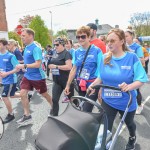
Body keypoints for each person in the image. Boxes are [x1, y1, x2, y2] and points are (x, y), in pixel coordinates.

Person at [87, 28, 148, 150]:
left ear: (122, 41)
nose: (109, 43)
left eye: (113, 41)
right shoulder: (104, 57)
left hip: (127, 101)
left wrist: (129, 86)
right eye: (108, 41)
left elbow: (141, 79)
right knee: (105, 128)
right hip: (108, 100)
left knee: (129, 123)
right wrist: (93, 84)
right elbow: (100, 76)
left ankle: (132, 137)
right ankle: (104, 145)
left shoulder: (132, 57)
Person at [15, 28, 53, 126]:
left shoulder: (36, 48)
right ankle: (27, 116)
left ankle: (54, 107)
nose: (21, 37)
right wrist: (21, 64)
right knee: (23, 93)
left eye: (23, 36)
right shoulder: (27, 47)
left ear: (30, 36)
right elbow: (28, 62)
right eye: (21, 36)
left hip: (37, 77)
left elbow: (37, 64)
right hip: (28, 76)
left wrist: (24, 66)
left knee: (45, 95)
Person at [64, 26, 103, 112]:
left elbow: (101, 70)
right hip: (81, 84)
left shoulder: (97, 51)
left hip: (93, 85)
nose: (80, 39)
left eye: (83, 36)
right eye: (78, 37)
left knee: (86, 109)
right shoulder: (77, 52)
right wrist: (68, 85)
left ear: (89, 37)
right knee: (83, 106)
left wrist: (100, 87)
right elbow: (74, 69)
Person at [48, 37, 74, 116]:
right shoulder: (55, 53)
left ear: (62, 45)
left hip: (66, 81)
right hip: (57, 81)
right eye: (54, 45)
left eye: (57, 45)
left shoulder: (67, 53)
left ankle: (77, 113)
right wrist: (50, 66)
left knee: (72, 100)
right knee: (54, 100)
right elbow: (51, 63)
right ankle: (55, 117)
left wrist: (56, 66)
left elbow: (69, 67)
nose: (55, 46)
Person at [125, 26, 145, 115]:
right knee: (125, 89)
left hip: (134, 72)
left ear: (132, 36)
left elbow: (142, 60)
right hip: (125, 71)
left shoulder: (137, 47)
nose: (125, 38)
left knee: (135, 90)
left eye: (127, 36)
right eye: (124, 36)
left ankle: (140, 106)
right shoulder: (123, 46)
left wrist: (132, 58)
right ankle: (127, 106)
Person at [0, 39, 20, 124]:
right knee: (12, 95)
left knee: (4, 97)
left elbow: (17, 68)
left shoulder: (11, 56)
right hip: (4, 79)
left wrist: (6, 73)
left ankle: (11, 114)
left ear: (5, 45)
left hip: (11, 79)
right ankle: (24, 95)